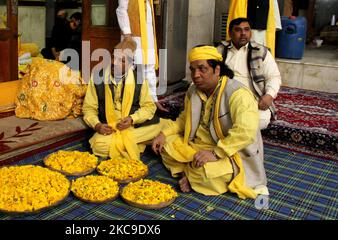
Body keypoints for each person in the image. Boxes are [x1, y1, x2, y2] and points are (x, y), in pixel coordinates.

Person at [152, 45, 268, 199]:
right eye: (192, 69)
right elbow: (183, 120)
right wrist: (163, 134)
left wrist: (215, 153)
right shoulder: (193, 91)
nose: (196, 75)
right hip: (198, 146)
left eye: (202, 69)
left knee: (210, 173)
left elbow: (245, 132)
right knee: (166, 145)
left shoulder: (238, 94)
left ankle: (193, 174)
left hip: (229, 151)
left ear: (217, 70)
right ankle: (193, 172)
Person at [82, 39, 163, 160]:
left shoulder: (139, 79)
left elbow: (149, 107)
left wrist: (132, 119)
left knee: (158, 127)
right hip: (110, 127)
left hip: (132, 126)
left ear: (130, 64)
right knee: (98, 145)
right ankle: (137, 143)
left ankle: (128, 143)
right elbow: (89, 108)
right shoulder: (98, 77)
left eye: (122, 60)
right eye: (114, 57)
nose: (114, 62)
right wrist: (97, 125)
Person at [116, 0, 168, 112]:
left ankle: (152, 100)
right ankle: (126, 100)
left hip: (148, 34)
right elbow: (121, 9)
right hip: (132, 33)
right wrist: (127, 33)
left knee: (149, 66)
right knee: (129, 67)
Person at [217, 17, 281, 130]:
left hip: (252, 99)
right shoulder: (220, 50)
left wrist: (269, 95)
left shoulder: (261, 51)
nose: (243, 34)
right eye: (238, 30)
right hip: (224, 97)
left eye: (246, 30)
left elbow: (274, 76)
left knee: (261, 121)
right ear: (230, 33)